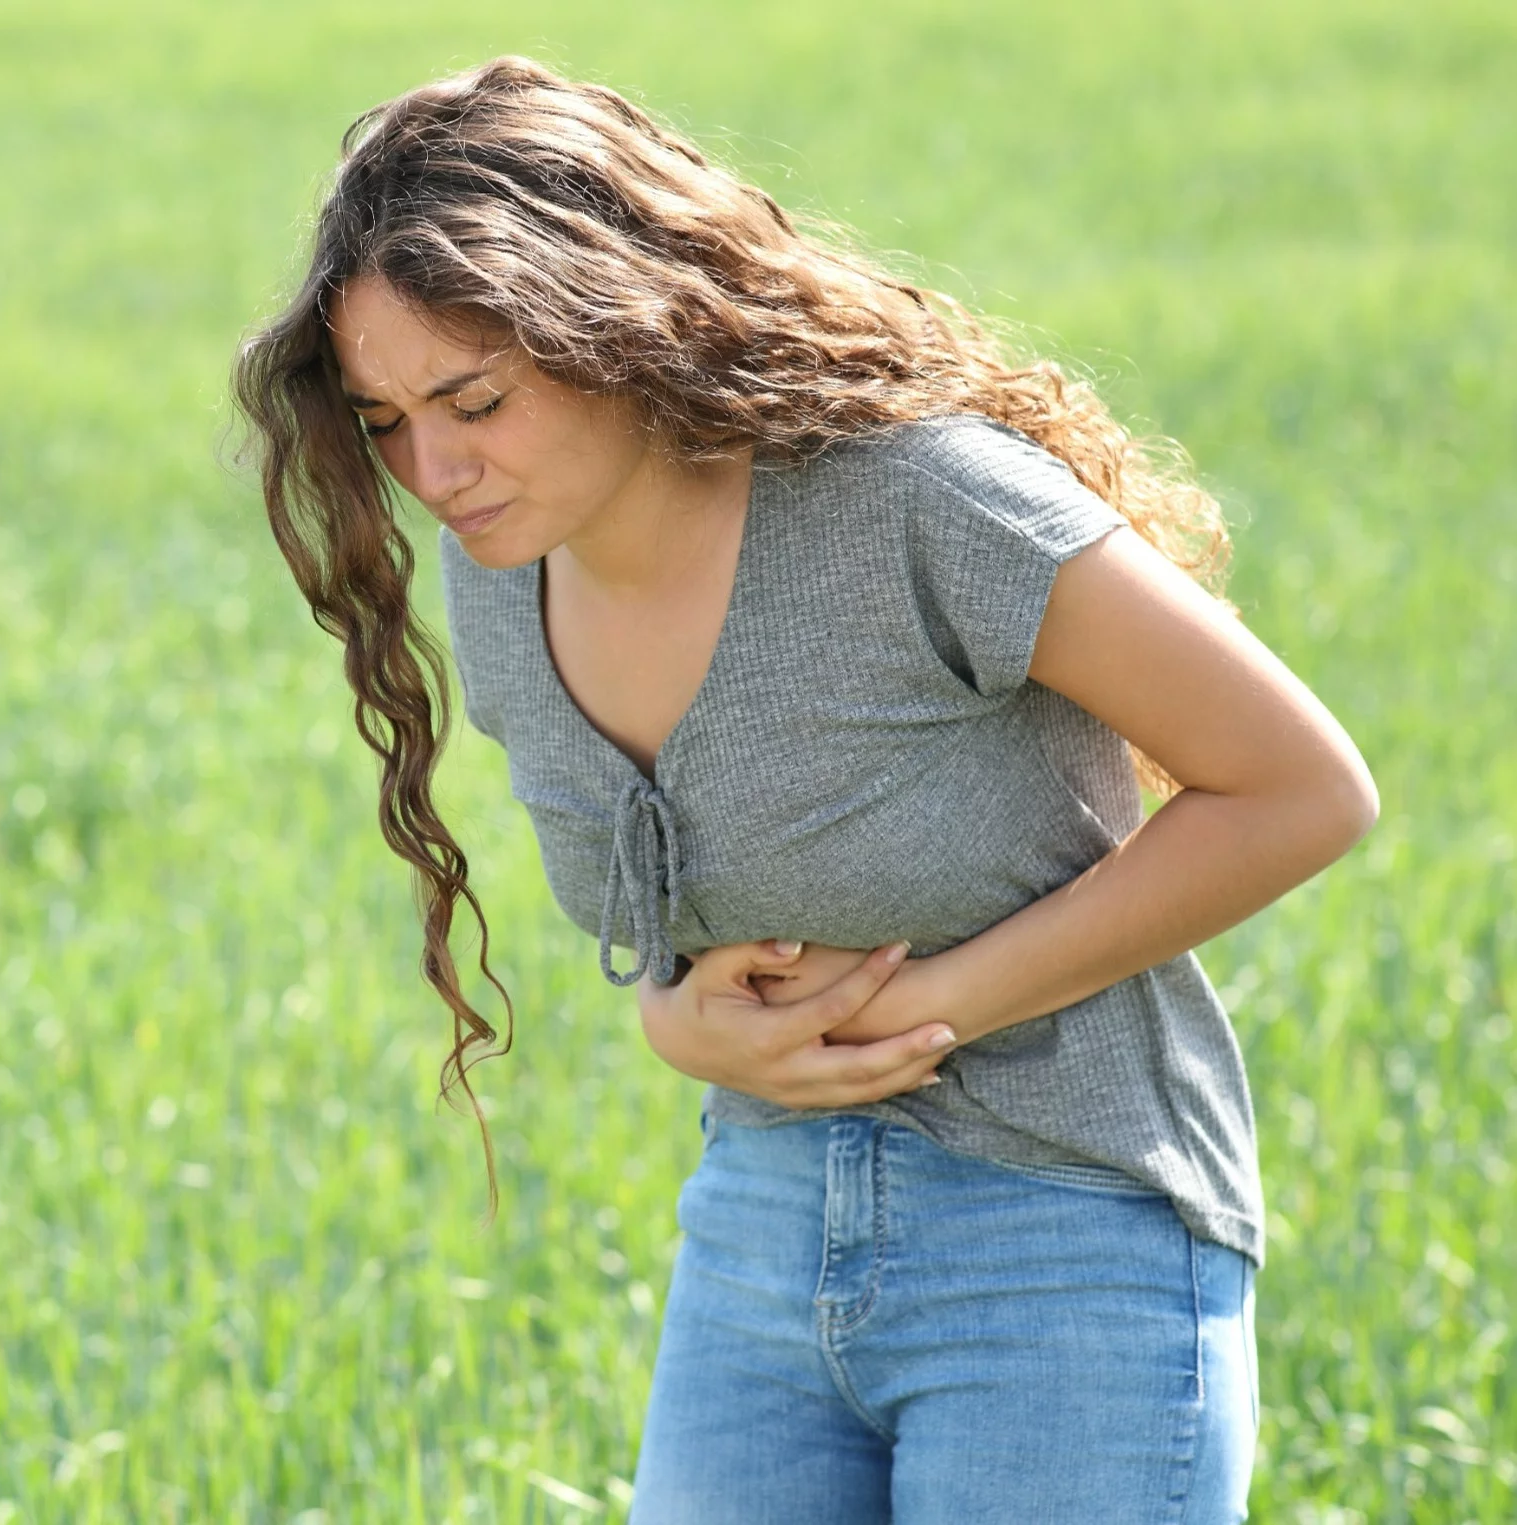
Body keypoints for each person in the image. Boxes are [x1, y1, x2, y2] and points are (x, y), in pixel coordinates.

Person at [230, 55, 1377, 1524]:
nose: (434, 467)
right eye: (387, 421)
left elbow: (1301, 789)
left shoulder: (924, 501)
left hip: (1070, 1241)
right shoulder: (502, 567)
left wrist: (923, 1006)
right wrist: (677, 1026)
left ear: (616, 326)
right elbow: (695, 947)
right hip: (759, 1237)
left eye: (474, 399)